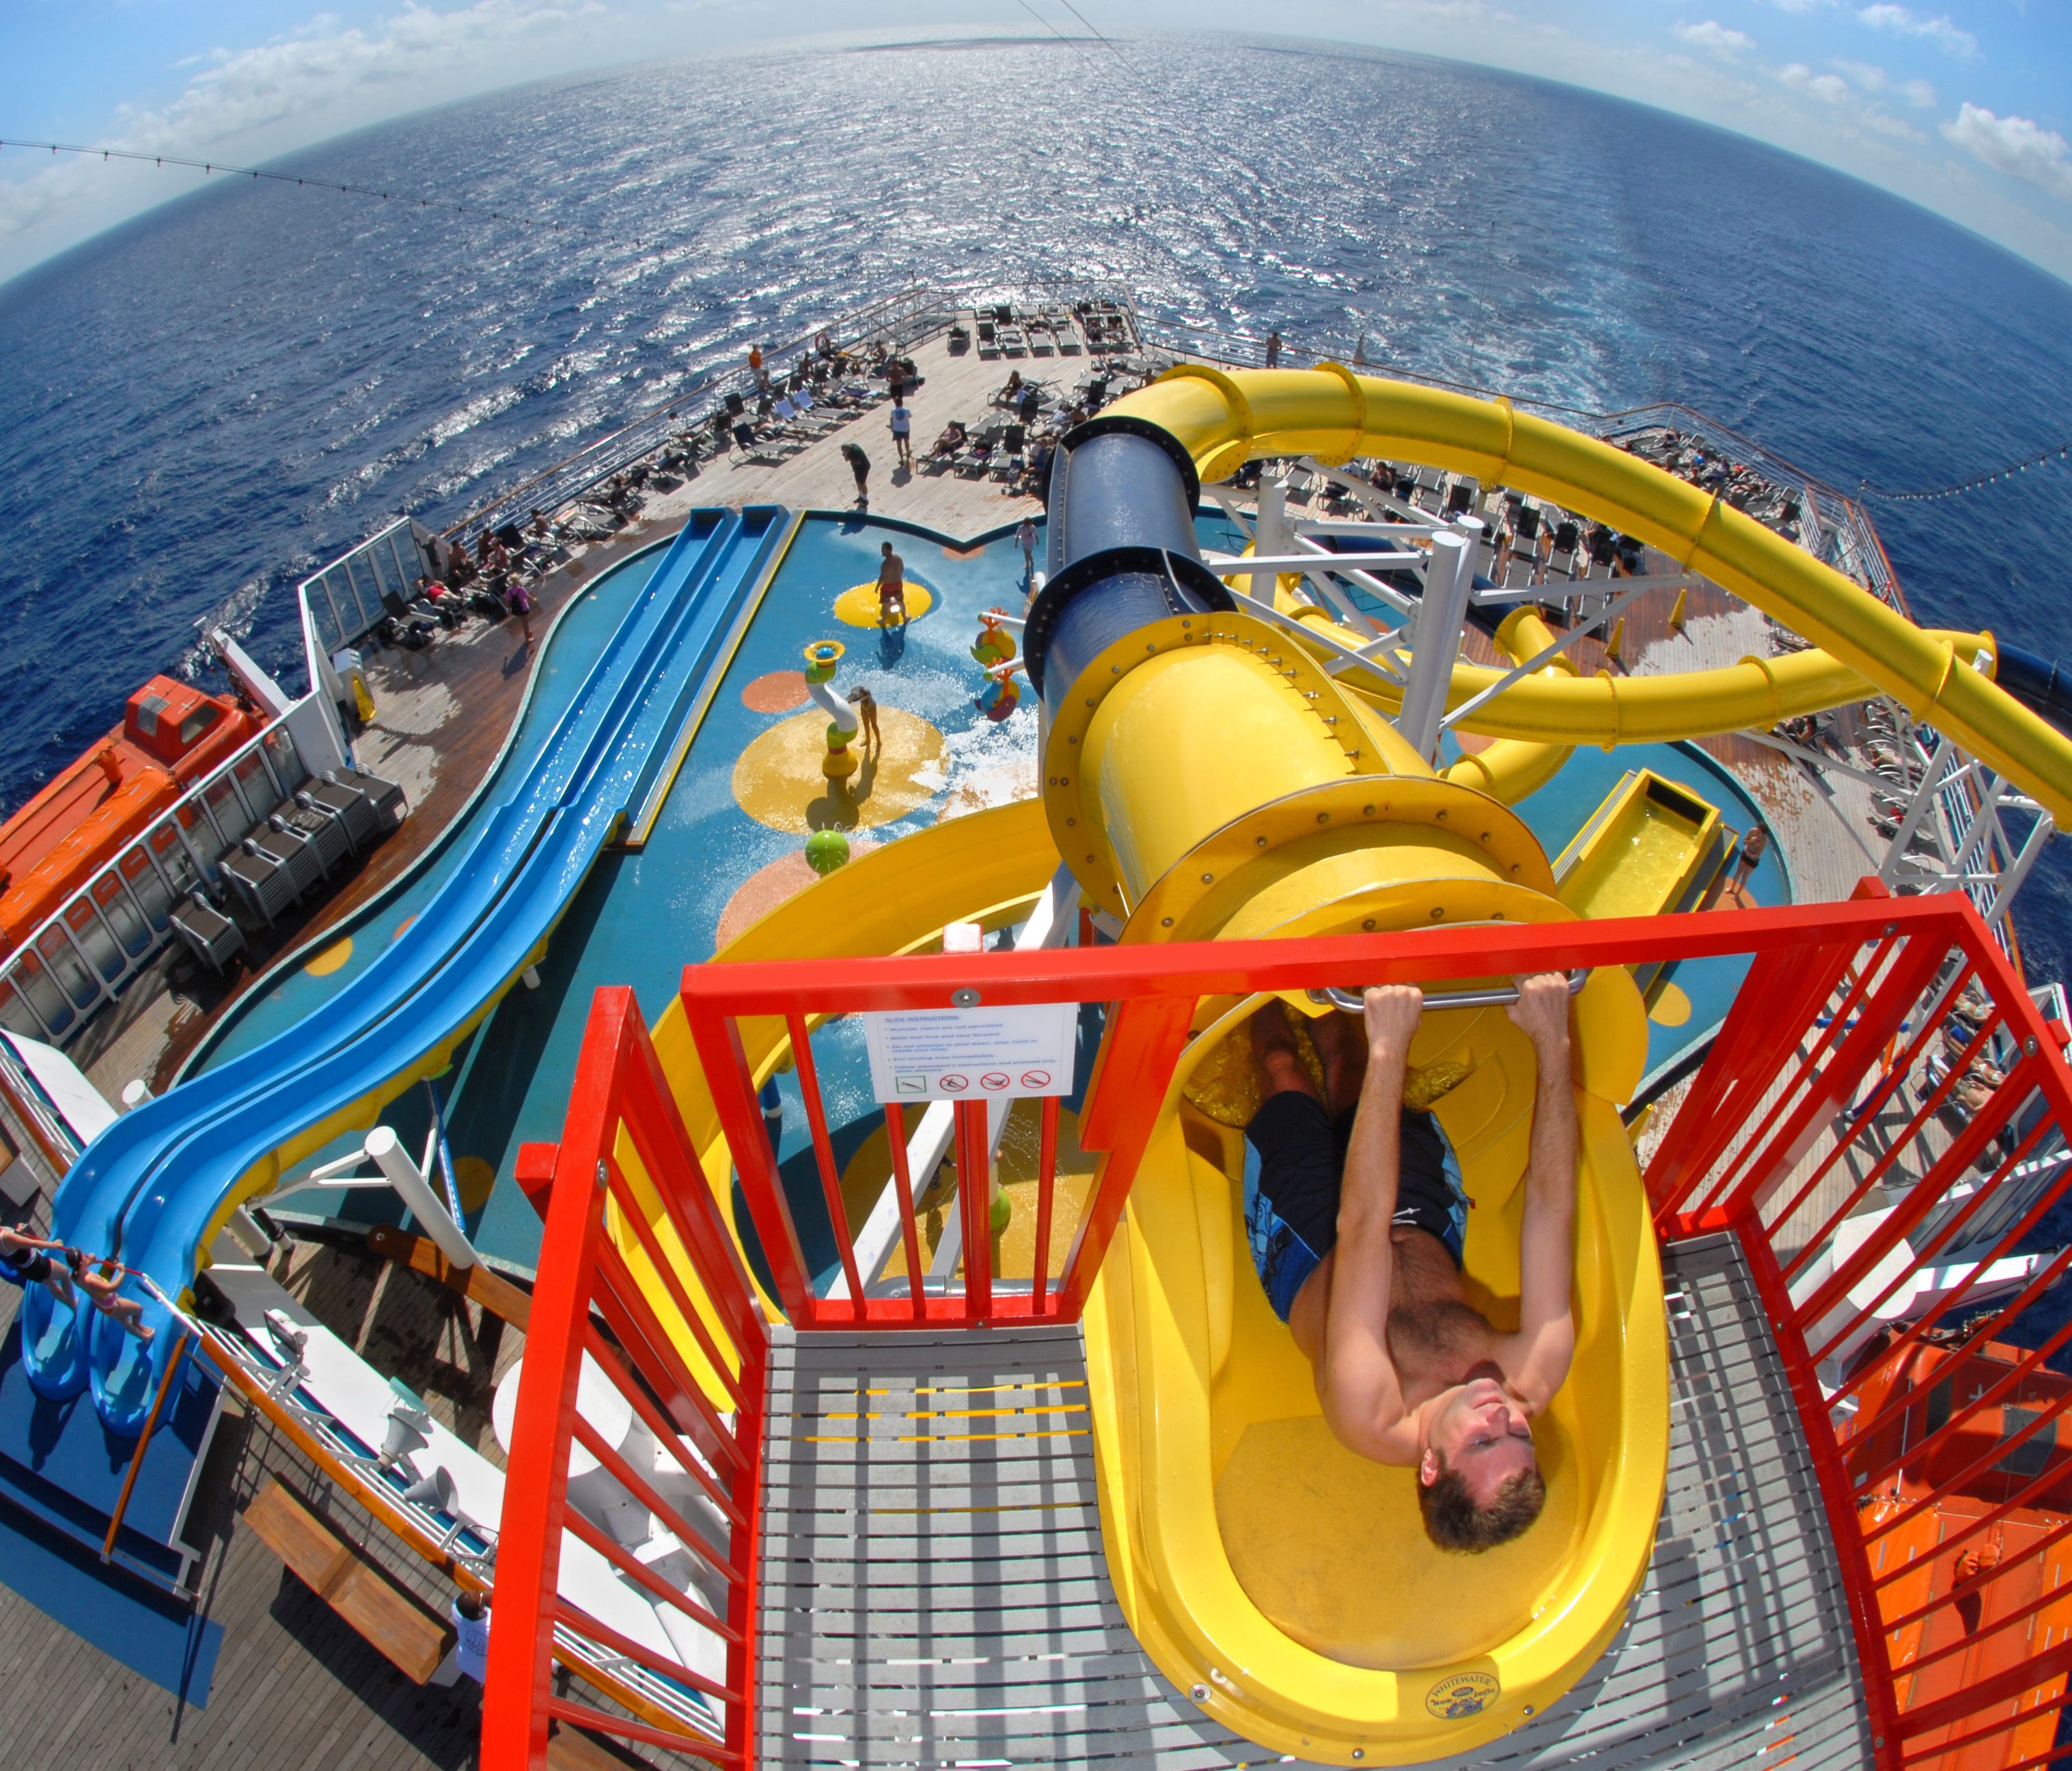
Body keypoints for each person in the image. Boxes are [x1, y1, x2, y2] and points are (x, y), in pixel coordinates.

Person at [1243, 974, 1577, 1552]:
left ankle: (1259, 983)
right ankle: (1320, 967)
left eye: (1481, 1443)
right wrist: (1553, 1043)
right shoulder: (1532, 1373)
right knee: (1348, 1061)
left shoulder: (1370, 1409)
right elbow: (1550, 1208)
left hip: (1306, 1250)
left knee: (1282, 1070)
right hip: (1424, 1223)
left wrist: (1391, 1048)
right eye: (1520, 1434)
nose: (1501, 1414)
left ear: (1430, 1466)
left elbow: (1361, 1228)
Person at [72, 1251, 154, 1341]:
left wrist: (89, 1262)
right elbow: (112, 1288)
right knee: (139, 1309)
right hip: (112, 1304)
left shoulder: (75, 1276)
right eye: (83, 1256)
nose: (85, 1255)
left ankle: (144, 1337)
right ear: (81, 1263)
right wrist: (122, 1272)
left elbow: (86, 1263)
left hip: (104, 1306)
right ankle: (138, 1325)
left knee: (125, 1321)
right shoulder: (90, 1280)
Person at [0, 1224, 76, 1306]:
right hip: (35, 1263)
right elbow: (32, 1243)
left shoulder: (3, 1232)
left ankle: (72, 1306)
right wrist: (53, 1245)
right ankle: (73, 1303)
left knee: (52, 1285)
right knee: (64, 1273)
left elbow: (14, 1242)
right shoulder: (5, 1236)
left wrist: (18, 1231)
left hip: (25, 1268)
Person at [430, 1589, 491, 1688]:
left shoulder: (456, 1609)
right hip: (487, 1672)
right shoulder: (492, 1626)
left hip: (465, 1662)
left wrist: (479, 1597)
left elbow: (464, 1600)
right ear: (480, 1607)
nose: (480, 1593)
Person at [876, 541, 907, 626]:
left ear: (889, 550)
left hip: (887, 587)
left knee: (886, 603)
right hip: (898, 584)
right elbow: (902, 569)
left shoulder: (885, 565)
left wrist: (877, 587)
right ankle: (905, 617)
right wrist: (897, 577)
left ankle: (883, 620)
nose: (882, 552)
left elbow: (882, 578)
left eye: (883, 550)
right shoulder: (898, 558)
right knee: (900, 601)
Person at [851, 685, 881, 760]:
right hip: (863, 707)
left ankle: (879, 742)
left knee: (874, 725)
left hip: (871, 707)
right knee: (866, 724)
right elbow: (854, 698)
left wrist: (853, 700)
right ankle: (868, 740)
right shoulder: (858, 692)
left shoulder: (866, 692)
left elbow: (861, 699)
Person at [841, 441, 871, 509]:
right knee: (858, 482)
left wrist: (849, 458)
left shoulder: (855, 452)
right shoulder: (852, 446)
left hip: (863, 468)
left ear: (846, 449)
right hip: (857, 469)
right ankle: (861, 496)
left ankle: (865, 500)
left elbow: (858, 463)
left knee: (862, 484)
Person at [889, 401, 913, 469]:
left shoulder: (893, 411)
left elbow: (892, 417)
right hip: (905, 428)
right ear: (902, 403)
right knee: (907, 442)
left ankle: (902, 459)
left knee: (899, 445)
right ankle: (908, 452)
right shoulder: (906, 410)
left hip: (897, 430)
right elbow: (910, 416)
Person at [1017, 517, 1038, 582]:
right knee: (1026, 554)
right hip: (1024, 542)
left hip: (1031, 542)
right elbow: (1017, 535)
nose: (1031, 524)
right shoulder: (1021, 528)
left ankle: (1031, 562)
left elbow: (1036, 534)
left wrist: (1037, 541)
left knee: (1028, 554)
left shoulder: (1033, 527)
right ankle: (1027, 564)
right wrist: (1016, 543)